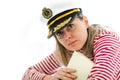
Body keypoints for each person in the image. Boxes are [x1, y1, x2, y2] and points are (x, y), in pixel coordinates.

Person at [22, 0, 120, 80]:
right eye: (59, 33)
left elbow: (102, 78)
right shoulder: (67, 50)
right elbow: (27, 74)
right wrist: (51, 78)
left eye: (70, 26)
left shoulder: (106, 39)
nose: (67, 37)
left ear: (85, 22)